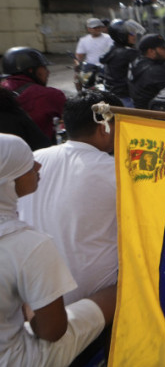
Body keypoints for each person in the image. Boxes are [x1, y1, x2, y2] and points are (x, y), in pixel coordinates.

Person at [0, 133, 117, 367]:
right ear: (9, 179)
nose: (37, 164)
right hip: (18, 359)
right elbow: (51, 332)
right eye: (26, 162)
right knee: (120, 290)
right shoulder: (28, 243)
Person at [17, 90, 122, 305]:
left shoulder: (34, 161)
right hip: (97, 300)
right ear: (105, 128)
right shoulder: (116, 171)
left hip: (36, 297)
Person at [1, 47, 66, 145]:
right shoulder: (50, 95)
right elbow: (76, 121)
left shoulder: (2, 90)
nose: (48, 72)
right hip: (38, 156)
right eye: (43, 67)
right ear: (31, 70)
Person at [99, 19, 145, 108]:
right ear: (122, 35)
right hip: (126, 97)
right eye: (131, 33)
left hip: (114, 94)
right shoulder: (129, 53)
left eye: (134, 32)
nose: (134, 36)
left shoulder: (113, 49)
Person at [128, 34, 165, 110]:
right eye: (163, 48)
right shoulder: (156, 70)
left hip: (141, 111)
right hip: (154, 115)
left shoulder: (138, 63)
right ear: (151, 51)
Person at [73, 18, 113, 92]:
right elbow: (79, 56)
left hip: (104, 65)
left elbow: (112, 52)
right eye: (94, 28)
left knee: (110, 84)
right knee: (80, 80)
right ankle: (81, 94)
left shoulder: (108, 38)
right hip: (89, 66)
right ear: (89, 29)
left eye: (99, 27)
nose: (97, 29)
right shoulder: (84, 40)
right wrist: (77, 66)